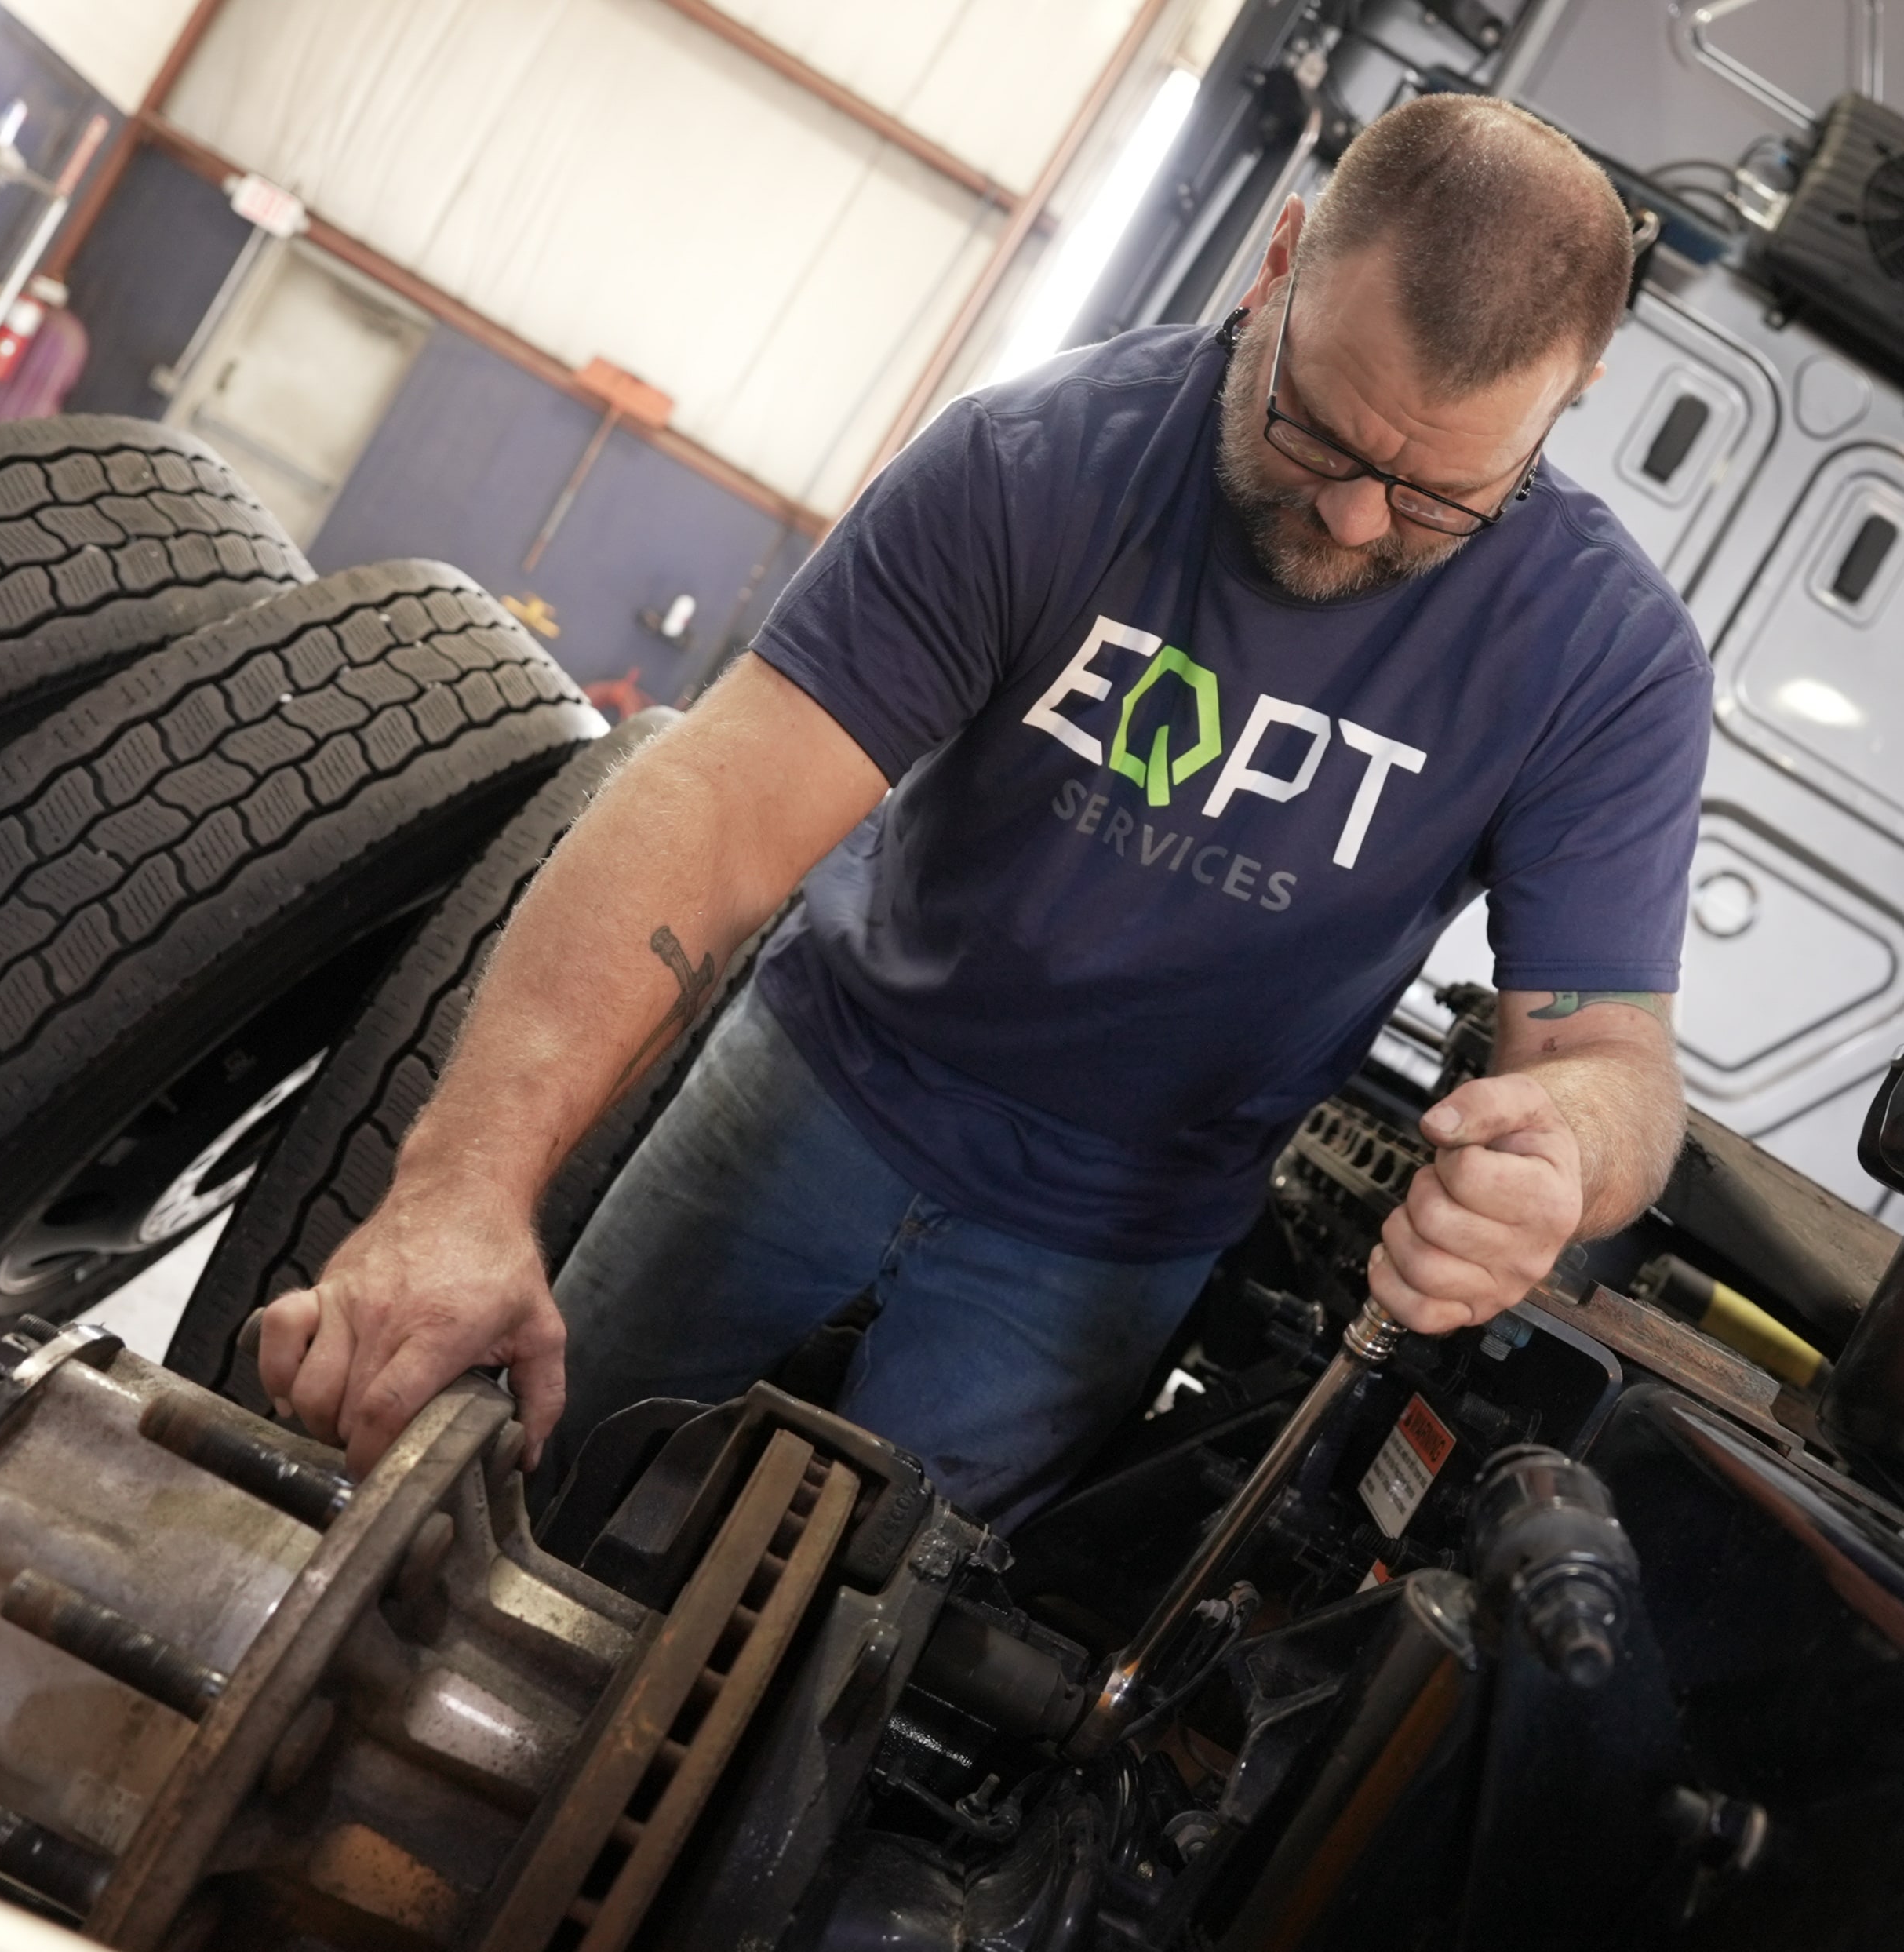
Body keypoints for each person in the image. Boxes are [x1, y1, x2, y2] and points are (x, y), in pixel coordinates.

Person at [255, 94, 1713, 1524]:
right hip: (820, 1086)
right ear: (1277, 265)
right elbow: (716, 806)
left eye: (1437, 496)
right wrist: (461, 1191)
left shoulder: (1606, 663)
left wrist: (1560, 1157)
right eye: (1322, 435)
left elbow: (1611, 1061)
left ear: (1559, 413)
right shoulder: (1036, 466)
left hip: (1110, 1242)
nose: (1351, 518)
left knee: (822, 1678)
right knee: (506, 1498)